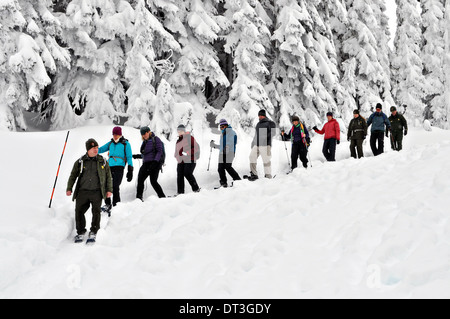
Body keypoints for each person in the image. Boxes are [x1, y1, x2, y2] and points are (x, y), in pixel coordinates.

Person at [66, 139, 113, 243]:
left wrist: (109, 189)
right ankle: (81, 231)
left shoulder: (103, 161)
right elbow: (73, 175)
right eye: (93, 148)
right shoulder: (80, 161)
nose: (96, 150)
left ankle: (94, 231)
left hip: (97, 191)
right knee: (79, 211)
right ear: (88, 149)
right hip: (82, 191)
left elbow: (108, 176)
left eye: (97, 148)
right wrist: (69, 188)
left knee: (96, 212)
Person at [98, 126, 133, 215]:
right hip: (109, 167)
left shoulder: (125, 144)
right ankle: (108, 204)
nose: (115, 136)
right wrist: (93, 150)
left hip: (119, 167)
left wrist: (130, 169)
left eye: (117, 134)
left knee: (115, 186)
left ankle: (116, 205)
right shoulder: (111, 143)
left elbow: (129, 157)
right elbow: (101, 149)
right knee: (106, 185)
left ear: (120, 134)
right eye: (114, 134)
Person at [132, 126, 166, 200]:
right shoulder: (145, 142)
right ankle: (139, 198)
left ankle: (162, 197)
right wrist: (137, 156)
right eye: (142, 134)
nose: (144, 135)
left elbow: (159, 151)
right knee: (140, 180)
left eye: (145, 133)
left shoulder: (156, 139)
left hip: (155, 164)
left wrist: (155, 162)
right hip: (146, 164)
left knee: (153, 181)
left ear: (149, 132)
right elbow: (146, 154)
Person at [210, 119, 241, 187]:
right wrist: (214, 145)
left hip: (230, 152)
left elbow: (232, 142)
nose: (222, 128)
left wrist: (227, 147)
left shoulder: (232, 132)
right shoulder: (222, 134)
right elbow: (222, 146)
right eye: (221, 127)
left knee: (227, 166)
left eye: (223, 126)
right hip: (222, 153)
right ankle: (223, 183)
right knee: (220, 168)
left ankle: (238, 180)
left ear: (226, 125)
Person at [247, 109, 277, 181]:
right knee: (252, 157)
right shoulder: (258, 124)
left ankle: (268, 175)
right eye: (259, 115)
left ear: (264, 115)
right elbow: (256, 134)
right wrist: (253, 142)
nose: (259, 117)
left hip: (266, 144)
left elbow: (273, 133)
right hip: (257, 144)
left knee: (266, 160)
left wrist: (265, 137)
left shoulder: (270, 123)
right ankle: (254, 174)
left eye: (261, 115)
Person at [174, 124, 201, 194]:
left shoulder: (189, 137)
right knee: (179, 176)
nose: (179, 132)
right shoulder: (178, 141)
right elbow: (176, 152)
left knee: (187, 173)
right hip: (181, 162)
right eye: (178, 131)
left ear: (184, 131)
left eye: (181, 131)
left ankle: (196, 189)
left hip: (190, 160)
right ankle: (180, 193)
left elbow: (196, 148)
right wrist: (177, 157)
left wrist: (187, 153)